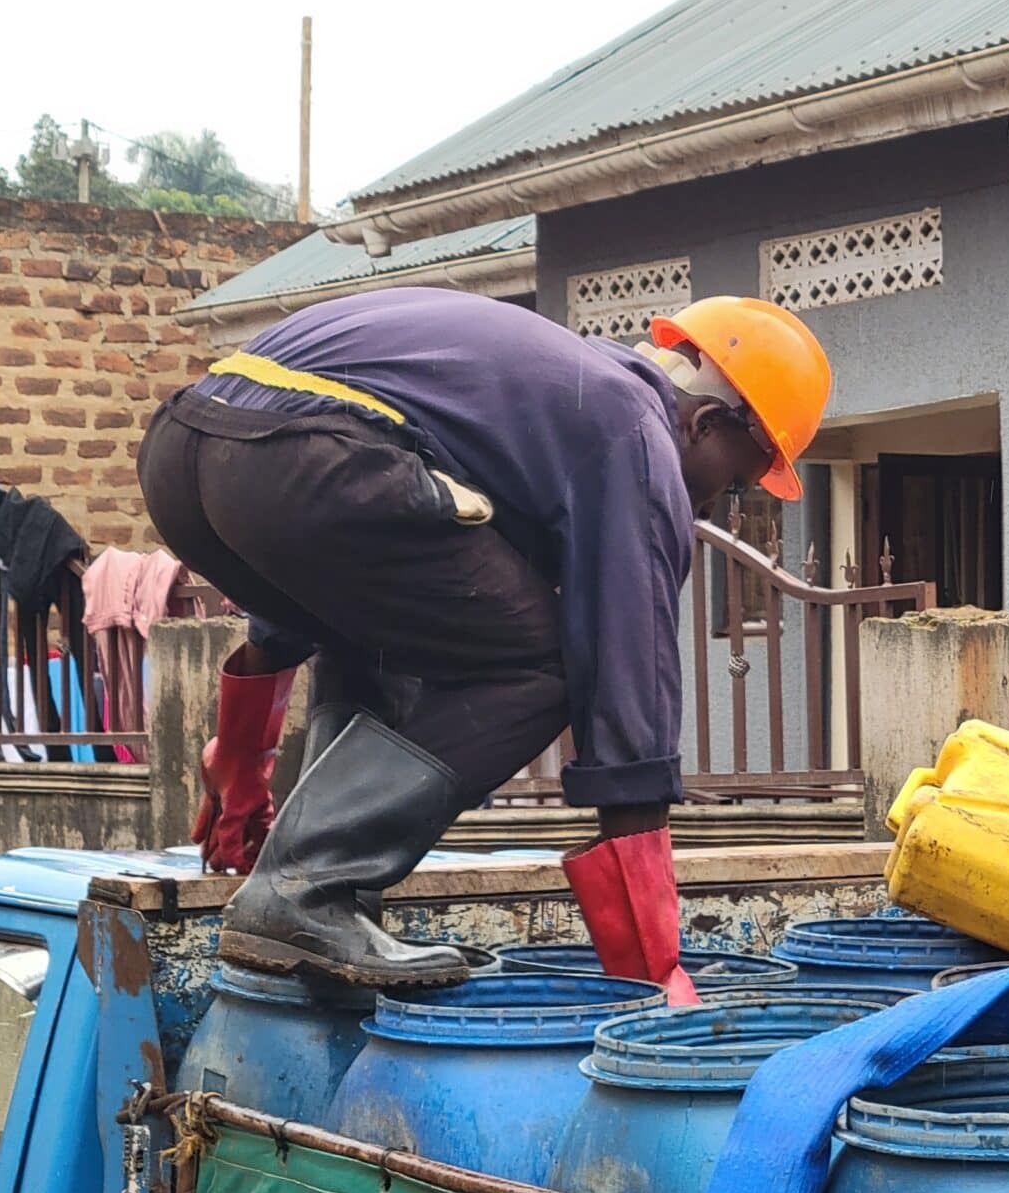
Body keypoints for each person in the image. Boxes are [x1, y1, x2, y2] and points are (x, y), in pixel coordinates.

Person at [138, 287, 830, 998]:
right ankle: (305, 891)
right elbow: (629, 679)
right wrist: (653, 969)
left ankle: (325, 905)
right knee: (553, 660)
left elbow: (306, 565)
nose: (710, 508)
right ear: (706, 422)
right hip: (308, 462)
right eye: (734, 484)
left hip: (181, 454)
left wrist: (241, 758)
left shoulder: (544, 397)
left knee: (386, 641)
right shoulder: (633, 429)